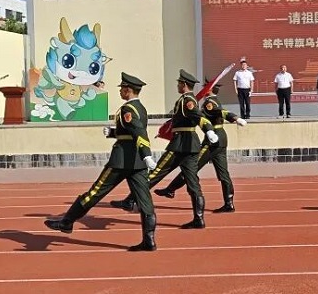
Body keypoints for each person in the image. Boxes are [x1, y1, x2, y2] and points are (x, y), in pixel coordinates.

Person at [45, 72, 159, 251]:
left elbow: (139, 133)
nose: (120, 91)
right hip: (137, 163)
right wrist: (114, 133)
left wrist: (147, 154)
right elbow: (131, 131)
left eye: (122, 88)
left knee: (95, 192)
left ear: (128, 90)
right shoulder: (141, 108)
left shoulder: (127, 110)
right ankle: (149, 240)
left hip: (121, 161)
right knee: (145, 201)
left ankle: (67, 222)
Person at [111, 69, 215, 229]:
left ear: (184, 84)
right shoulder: (187, 99)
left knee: (155, 173)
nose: (178, 86)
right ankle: (198, 218)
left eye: (179, 83)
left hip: (180, 144)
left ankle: (130, 200)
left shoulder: (187, 100)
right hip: (191, 145)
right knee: (193, 182)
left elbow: (197, 116)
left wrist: (208, 129)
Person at [154, 79, 247, 213]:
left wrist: (235, 118)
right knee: (223, 173)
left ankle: (171, 189)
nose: (203, 88)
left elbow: (222, 112)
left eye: (205, 87)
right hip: (221, 138)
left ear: (210, 89)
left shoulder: (210, 103)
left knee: (192, 166)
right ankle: (229, 202)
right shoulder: (214, 101)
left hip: (213, 139)